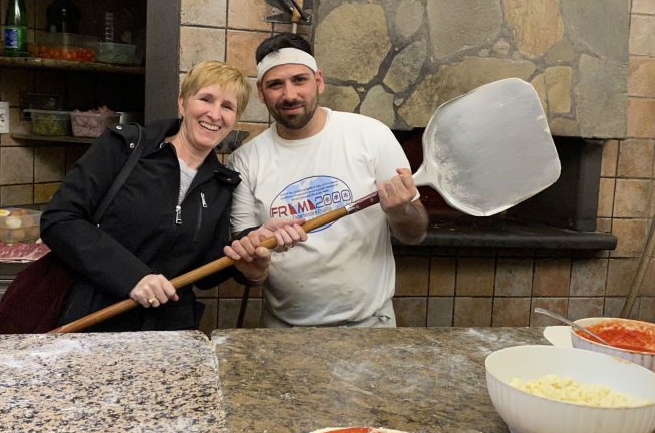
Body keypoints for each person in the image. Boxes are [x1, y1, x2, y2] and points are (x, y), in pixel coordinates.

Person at [41, 60, 306, 332]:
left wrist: (250, 252)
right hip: (97, 320)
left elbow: (205, 271)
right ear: (182, 103)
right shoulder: (126, 147)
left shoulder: (221, 182)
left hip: (169, 332)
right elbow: (59, 220)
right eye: (206, 99)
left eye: (227, 107)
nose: (215, 114)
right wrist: (134, 277)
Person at [227, 33, 429, 328]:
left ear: (318, 81)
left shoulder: (370, 136)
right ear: (260, 92)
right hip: (284, 332)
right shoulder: (245, 159)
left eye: (299, 80)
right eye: (275, 84)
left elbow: (414, 234)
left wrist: (401, 212)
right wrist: (253, 258)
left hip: (370, 326)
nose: (290, 95)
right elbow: (247, 253)